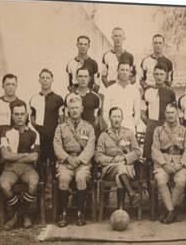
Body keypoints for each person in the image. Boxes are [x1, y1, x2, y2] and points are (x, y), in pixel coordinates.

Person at [53, 95, 96, 227]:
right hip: (66, 161)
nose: (74, 110)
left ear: (82, 109)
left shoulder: (88, 127)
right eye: (71, 108)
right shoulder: (61, 127)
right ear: (67, 110)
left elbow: (90, 147)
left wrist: (79, 160)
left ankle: (80, 213)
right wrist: (68, 159)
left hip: (82, 162)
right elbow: (57, 146)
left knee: (81, 177)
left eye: (77, 107)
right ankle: (63, 213)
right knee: (64, 178)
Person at [0, 100, 40, 230]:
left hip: (28, 168)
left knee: (34, 182)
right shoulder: (5, 132)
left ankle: (17, 215)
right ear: (12, 115)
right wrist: (24, 155)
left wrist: (14, 156)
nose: (20, 117)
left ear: (27, 115)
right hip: (10, 169)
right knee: (4, 184)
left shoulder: (34, 133)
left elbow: (34, 156)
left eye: (22, 114)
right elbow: (5, 155)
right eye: (16, 114)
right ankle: (23, 214)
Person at [0, 74, 26, 216]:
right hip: (0, 141)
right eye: (7, 84)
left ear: (16, 86)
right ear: (3, 86)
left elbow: (23, 123)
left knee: (16, 168)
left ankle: (16, 205)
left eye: (13, 84)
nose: (10, 87)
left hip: (16, 139)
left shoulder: (21, 103)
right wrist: (0, 133)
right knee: (0, 170)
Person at [151, 103, 186, 224]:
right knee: (160, 179)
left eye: (172, 113)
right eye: (168, 113)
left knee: (181, 182)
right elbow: (155, 149)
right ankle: (171, 211)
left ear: (177, 114)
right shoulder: (158, 130)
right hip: (162, 162)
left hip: (180, 162)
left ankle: (168, 210)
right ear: (165, 114)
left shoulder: (184, 131)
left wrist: (181, 164)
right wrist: (164, 164)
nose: (170, 115)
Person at [95, 107, 142, 208]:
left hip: (127, 167)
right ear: (109, 118)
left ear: (122, 118)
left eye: (119, 116)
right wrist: (112, 160)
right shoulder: (103, 135)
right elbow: (98, 156)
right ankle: (130, 195)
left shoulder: (129, 133)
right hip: (109, 168)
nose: (116, 119)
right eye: (114, 116)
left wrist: (125, 158)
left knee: (119, 174)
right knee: (120, 167)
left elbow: (137, 152)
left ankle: (120, 208)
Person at [29, 69, 64, 180]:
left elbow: (62, 119)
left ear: (52, 80)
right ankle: (40, 193)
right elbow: (32, 119)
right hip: (40, 137)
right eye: (43, 78)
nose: (45, 80)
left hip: (54, 136)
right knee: (40, 164)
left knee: (54, 164)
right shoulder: (34, 99)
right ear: (39, 80)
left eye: (47, 78)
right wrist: (38, 132)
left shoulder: (58, 99)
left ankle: (55, 193)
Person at [141, 65, 177, 160]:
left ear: (166, 76)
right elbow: (142, 114)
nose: (159, 76)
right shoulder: (148, 91)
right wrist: (150, 124)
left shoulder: (171, 93)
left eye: (161, 74)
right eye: (156, 74)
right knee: (148, 157)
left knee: (166, 156)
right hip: (151, 127)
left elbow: (174, 113)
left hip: (166, 127)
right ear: (153, 75)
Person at [102, 61, 141, 132]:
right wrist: (110, 126)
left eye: (127, 70)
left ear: (130, 72)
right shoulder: (110, 89)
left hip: (129, 127)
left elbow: (137, 114)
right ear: (118, 71)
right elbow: (105, 112)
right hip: (112, 127)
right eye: (122, 70)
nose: (124, 72)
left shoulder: (135, 90)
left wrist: (131, 126)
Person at [64, 67, 102, 133]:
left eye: (85, 76)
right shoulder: (69, 97)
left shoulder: (96, 97)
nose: (83, 79)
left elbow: (97, 121)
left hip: (90, 135)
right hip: (73, 135)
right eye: (80, 76)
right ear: (76, 78)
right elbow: (66, 118)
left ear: (89, 78)